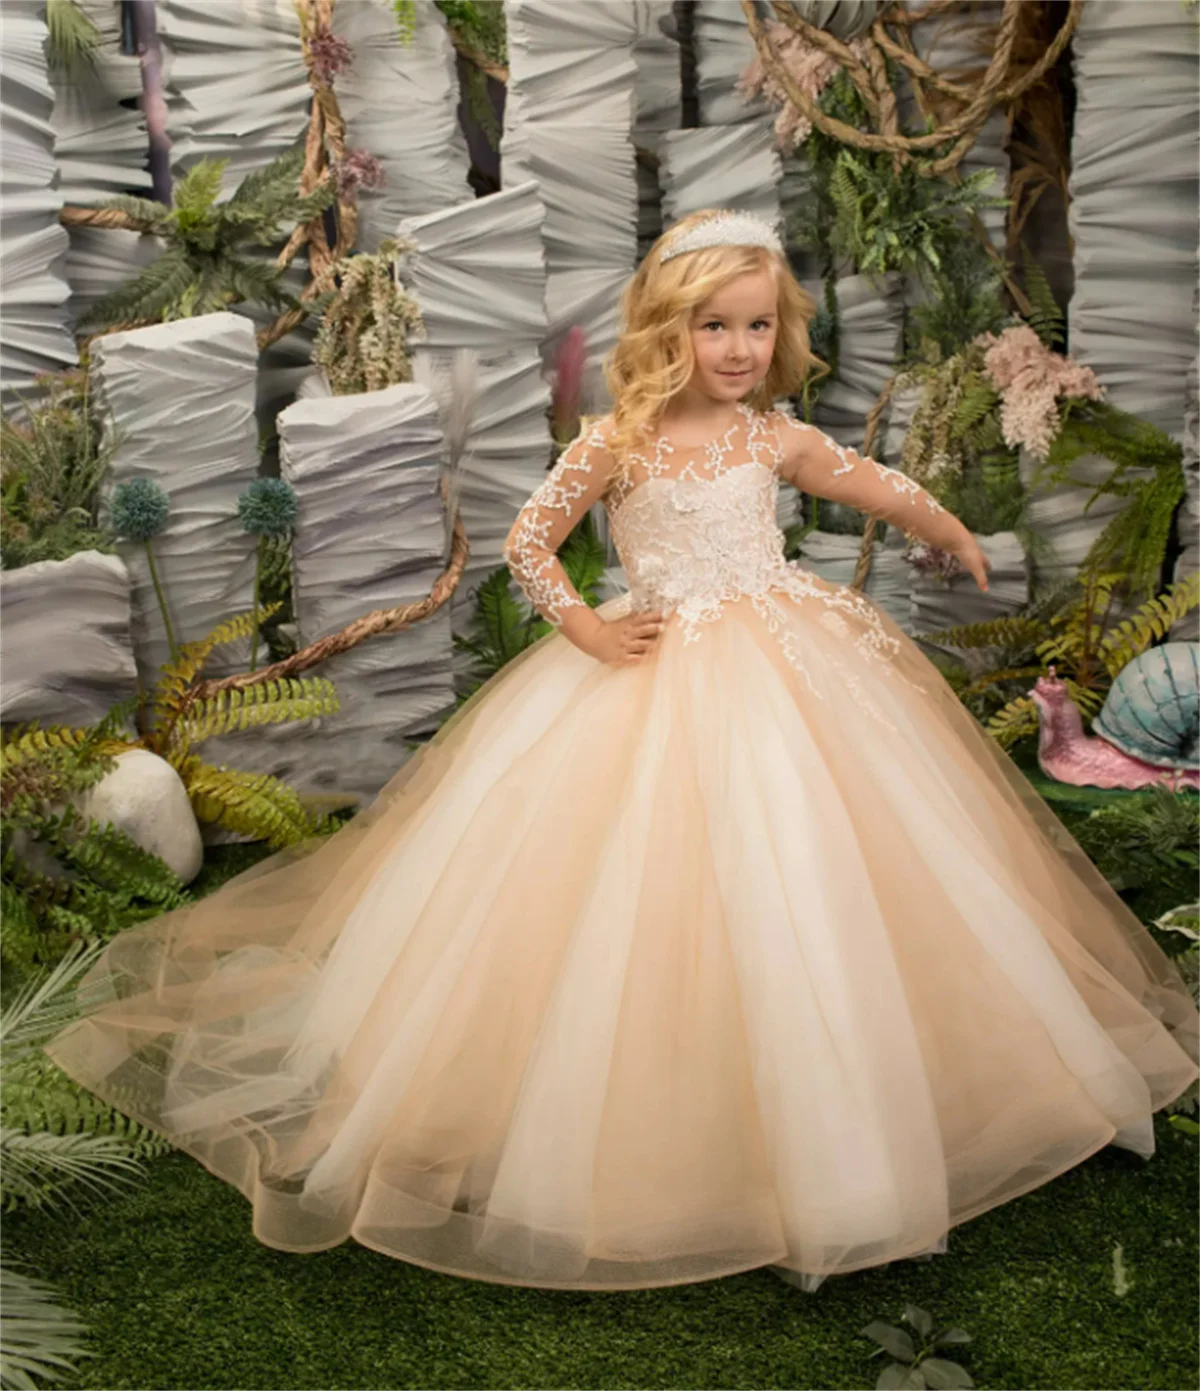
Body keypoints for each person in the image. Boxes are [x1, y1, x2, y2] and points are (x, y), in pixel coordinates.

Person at [44, 208, 1199, 1295]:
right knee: (637, 892)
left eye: (757, 324)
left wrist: (944, 525)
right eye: (714, 325)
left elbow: (864, 480)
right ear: (667, 330)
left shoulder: (771, 434)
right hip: (651, 667)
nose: (739, 348)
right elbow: (530, 542)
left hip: (792, 662)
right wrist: (592, 625)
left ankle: (864, 1104)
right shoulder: (622, 439)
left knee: (826, 860)